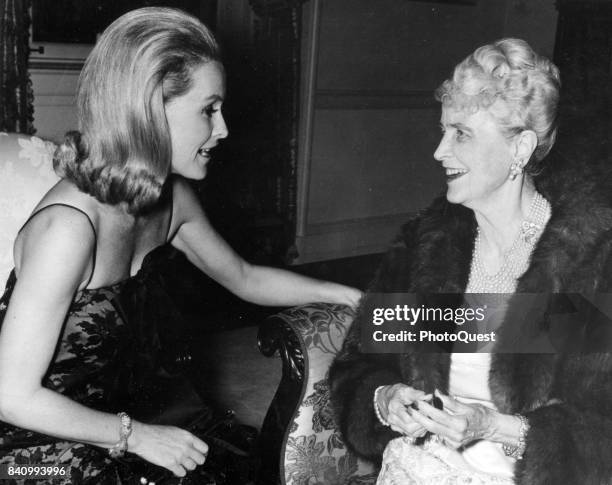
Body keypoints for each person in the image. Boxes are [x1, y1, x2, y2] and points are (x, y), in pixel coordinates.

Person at [0, 7, 361, 484]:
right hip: (31, 448)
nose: (224, 128)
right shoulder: (67, 229)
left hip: (124, 417)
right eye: (209, 109)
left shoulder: (172, 199)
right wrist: (135, 436)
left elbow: (245, 277)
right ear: (149, 111)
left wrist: (345, 295)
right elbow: (10, 395)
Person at [329, 38, 612, 484]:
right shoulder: (430, 245)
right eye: (444, 131)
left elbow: (601, 426)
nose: (439, 151)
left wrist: (494, 427)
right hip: (420, 468)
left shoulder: (582, 260)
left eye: (461, 133)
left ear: (520, 149)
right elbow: (357, 367)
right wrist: (385, 397)